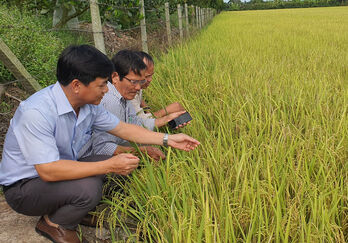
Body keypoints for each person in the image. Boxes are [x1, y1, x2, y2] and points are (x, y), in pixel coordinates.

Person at [0, 45, 199, 243]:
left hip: (59, 172)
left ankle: (76, 211)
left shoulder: (87, 106)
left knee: (122, 165)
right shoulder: (37, 112)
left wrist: (168, 139)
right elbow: (48, 170)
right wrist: (110, 165)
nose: (106, 90)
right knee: (89, 188)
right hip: (25, 187)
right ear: (77, 85)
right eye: (102, 85)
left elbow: (124, 128)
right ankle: (54, 223)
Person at [80, 50, 188, 160]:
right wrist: (141, 151)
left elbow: (134, 123)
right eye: (133, 82)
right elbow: (102, 148)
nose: (138, 88)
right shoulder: (110, 102)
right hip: (88, 160)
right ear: (115, 77)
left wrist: (166, 119)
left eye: (141, 82)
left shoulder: (124, 96)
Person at [131, 51, 186, 120]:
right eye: (147, 76)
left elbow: (140, 99)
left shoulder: (138, 84)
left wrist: (147, 110)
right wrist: (166, 111)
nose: (150, 79)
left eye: (151, 75)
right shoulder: (128, 93)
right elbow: (141, 121)